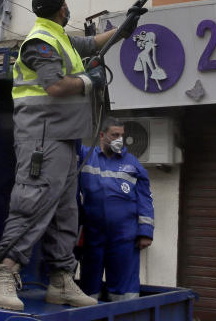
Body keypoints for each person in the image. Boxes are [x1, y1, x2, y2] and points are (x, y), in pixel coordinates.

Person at [0, 0, 146, 311]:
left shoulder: (59, 37)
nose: (68, 7)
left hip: (64, 137)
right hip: (43, 140)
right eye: (66, 3)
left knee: (65, 211)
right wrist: (90, 80)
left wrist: (124, 28)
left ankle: (61, 281)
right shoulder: (40, 42)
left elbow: (92, 44)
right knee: (32, 202)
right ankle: (4, 276)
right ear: (61, 9)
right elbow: (55, 85)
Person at [77, 118, 154, 301]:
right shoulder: (86, 157)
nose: (120, 139)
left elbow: (145, 199)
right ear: (102, 135)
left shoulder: (133, 164)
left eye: (121, 135)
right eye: (115, 135)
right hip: (92, 234)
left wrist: (146, 232)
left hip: (124, 236)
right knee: (89, 284)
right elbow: (70, 144)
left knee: (123, 288)